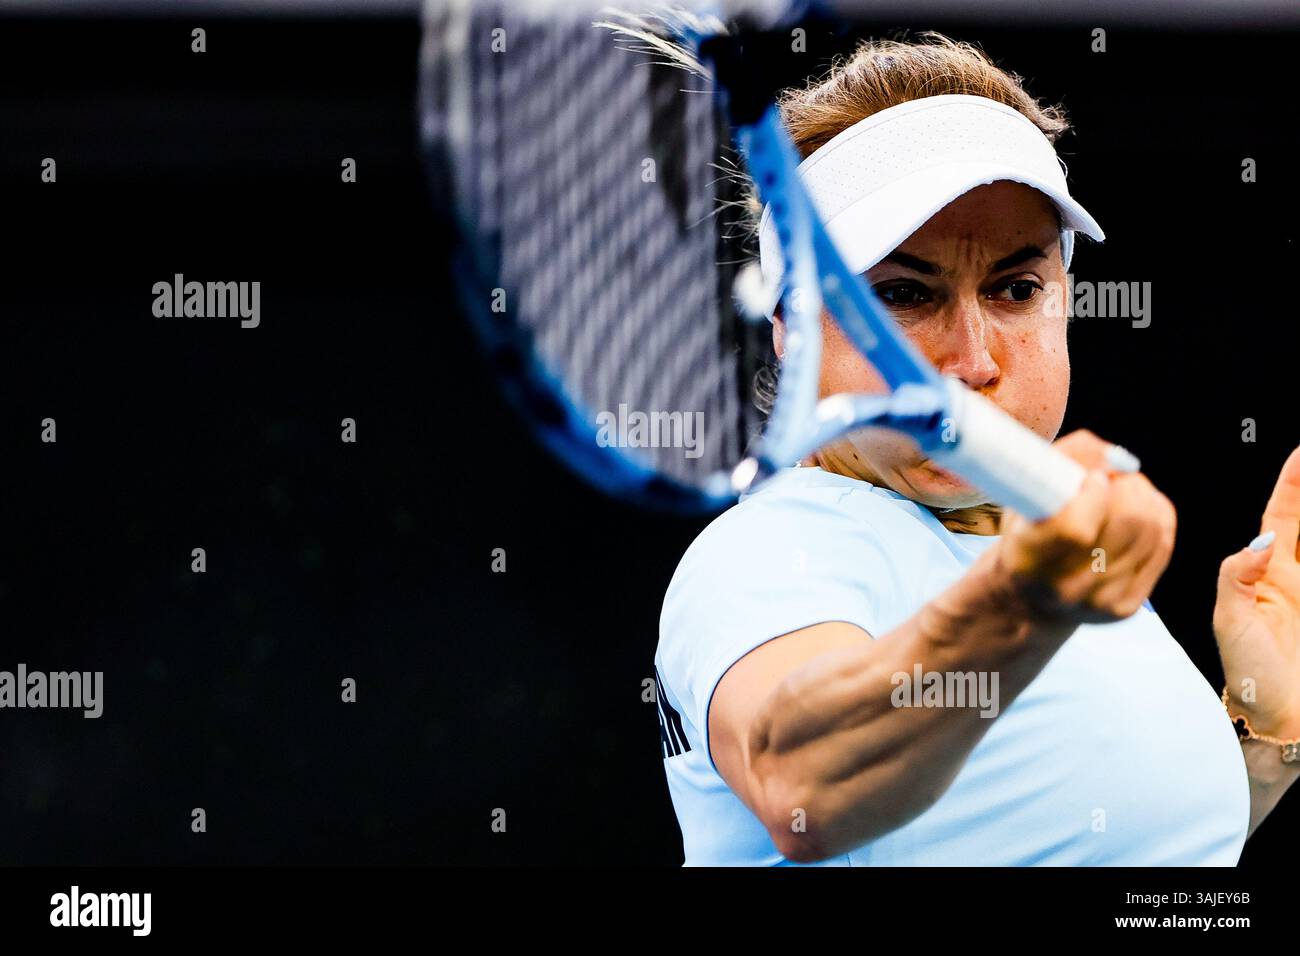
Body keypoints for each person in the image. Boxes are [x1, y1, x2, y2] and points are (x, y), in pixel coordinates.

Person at [654, 34, 1300, 865]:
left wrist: (1268, 730)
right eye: (902, 294)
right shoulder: (771, 550)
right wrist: (1022, 605)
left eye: (1016, 288)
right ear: (789, 331)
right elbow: (801, 782)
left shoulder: (1041, 549)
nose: (974, 360)